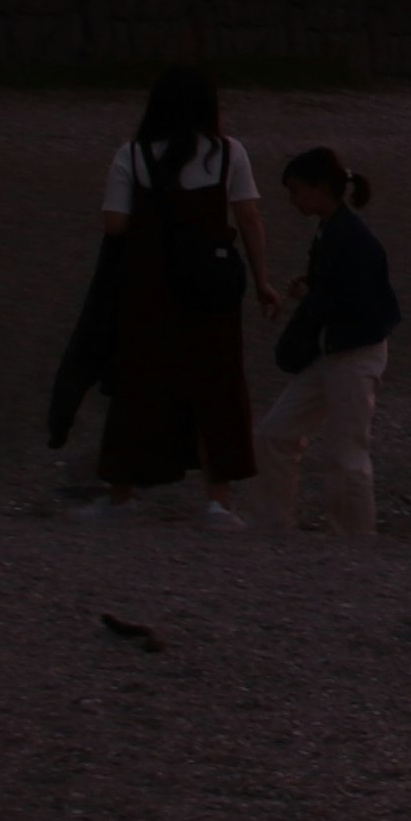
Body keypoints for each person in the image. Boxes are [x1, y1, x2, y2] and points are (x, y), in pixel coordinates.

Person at [80, 63, 279, 523]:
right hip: (211, 290)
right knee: (217, 387)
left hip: (149, 288)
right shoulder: (230, 153)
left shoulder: (132, 155)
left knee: (139, 385)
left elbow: (114, 224)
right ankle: (218, 499)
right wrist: (263, 281)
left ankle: (123, 495)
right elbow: (249, 218)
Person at [251, 147, 399, 538]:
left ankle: (353, 537)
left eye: (297, 192)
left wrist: (314, 297)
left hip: (355, 352)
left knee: (347, 450)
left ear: (321, 189)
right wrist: (314, 290)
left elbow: (359, 301)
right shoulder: (334, 231)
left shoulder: (350, 237)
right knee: (275, 433)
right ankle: (276, 523)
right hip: (333, 350)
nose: (292, 200)